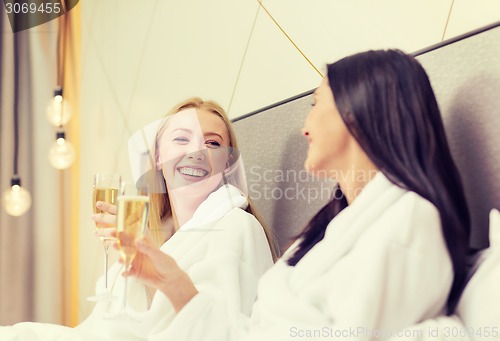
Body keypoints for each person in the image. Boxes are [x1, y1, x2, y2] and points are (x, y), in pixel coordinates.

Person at [124, 49, 471, 341]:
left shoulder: (410, 223)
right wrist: (174, 283)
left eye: (316, 103)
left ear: (359, 111)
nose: (305, 125)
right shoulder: (337, 227)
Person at [0, 98, 276, 340]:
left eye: (212, 143)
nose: (197, 151)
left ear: (227, 163)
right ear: (157, 157)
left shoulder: (237, 226)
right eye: (181, 139)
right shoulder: (164, 241)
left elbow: (222, 330)